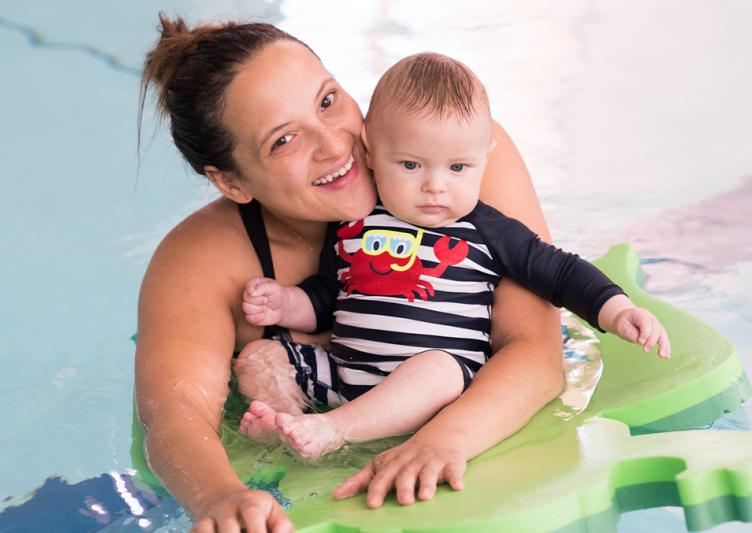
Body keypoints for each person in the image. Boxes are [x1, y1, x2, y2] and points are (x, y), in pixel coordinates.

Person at [136, 13, 566, 533]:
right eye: (283, 140)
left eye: (327, 100)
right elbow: (175, 410)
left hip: (468, 440)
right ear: (231, 183)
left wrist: (441, 441)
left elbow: (537, 351)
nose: (335, 145)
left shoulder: (448, 157)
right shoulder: (205, 259)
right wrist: (222, 497)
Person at [236, 53, 671, 461]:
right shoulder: (353, 226)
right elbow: (328, 297)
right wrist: (286, 303)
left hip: (435, 395)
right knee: (260, 356)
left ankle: (332, 430)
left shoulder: (487, 230)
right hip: (347, 378)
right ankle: (289, 425)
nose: (435, 186)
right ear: (370, 153)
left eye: (457, 168)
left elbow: (558, 271)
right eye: (410, 165)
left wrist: (616, 309)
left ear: (485, 159)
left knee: (440, 368)